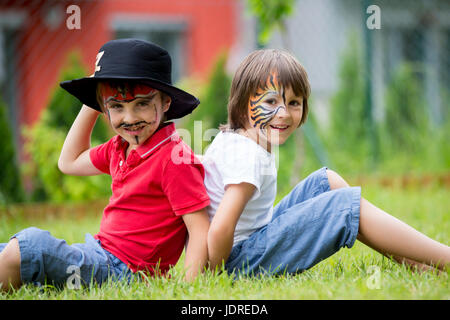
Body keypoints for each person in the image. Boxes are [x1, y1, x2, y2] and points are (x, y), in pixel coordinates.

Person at [203, 49, 450, 277]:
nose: (284, 113)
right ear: (243, 102)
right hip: (240, 261)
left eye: (293, 103)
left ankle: (417, 263)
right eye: (270, 102)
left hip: (244, 247)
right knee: (342, 206)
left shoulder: (234, 140)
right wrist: (218, 278)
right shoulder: (249, 156)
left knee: (327, 181)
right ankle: (445, 259)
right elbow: (220, 229)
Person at [0, 39, 210, 292]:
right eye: (116, 107)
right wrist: (93, 99)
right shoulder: (119, 147)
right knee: (11, 248)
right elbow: (69, 162)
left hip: (125, 272)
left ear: (166, 103)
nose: (129, 119)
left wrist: (190, 289)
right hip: (98, 253)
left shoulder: (174, 158)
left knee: (31, 246)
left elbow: (199, 229)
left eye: (142, 104)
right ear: (103, 108)